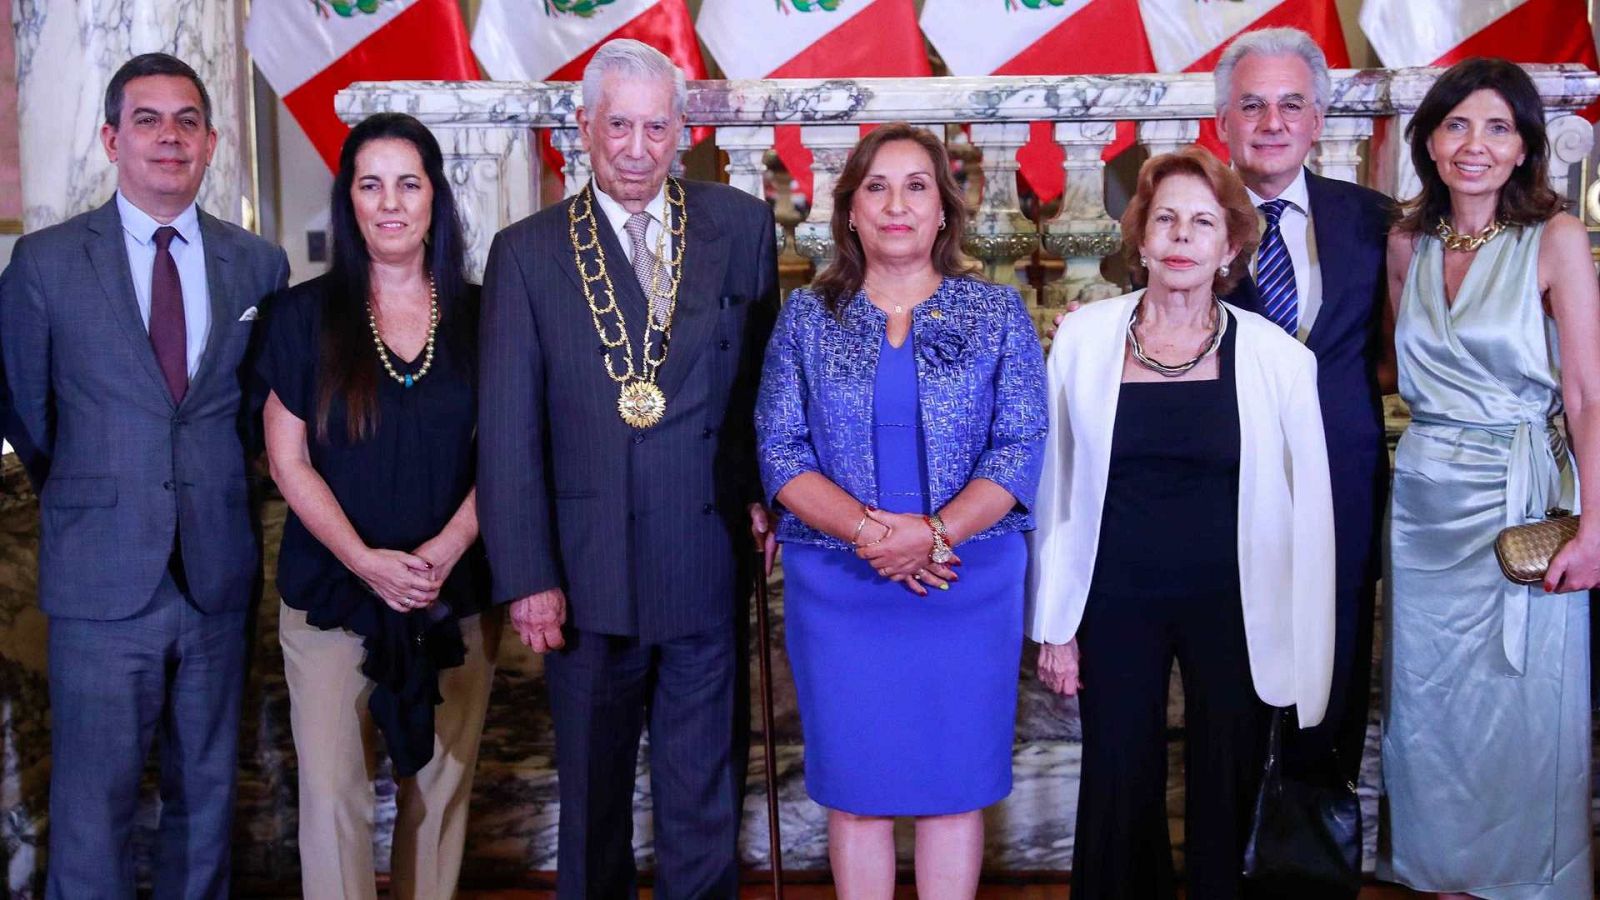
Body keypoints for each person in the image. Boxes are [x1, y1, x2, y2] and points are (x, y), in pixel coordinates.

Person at [477, 39, 779, 898]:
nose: (639, 148)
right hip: (582, 572)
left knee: (703, 801)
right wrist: (528, 574)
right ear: (583, 128)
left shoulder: (740, 227)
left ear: (681, 129)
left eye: (657, 126)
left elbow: (763, 385)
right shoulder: (525, 254)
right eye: (620, 126)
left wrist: (762, 495)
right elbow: (506, 433)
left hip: (703, 558)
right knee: (592, 806)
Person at [0, 53, 288, 897]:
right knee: (95, 802)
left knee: (207, 793)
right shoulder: (45, 264)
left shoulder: (258, 265)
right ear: (110, 139)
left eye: (187, 121)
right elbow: (25, 409)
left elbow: (252, 411)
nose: (170, 138)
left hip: (215, 570)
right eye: (149, 120)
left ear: (210, 143)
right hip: (100, 575)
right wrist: (105, 485)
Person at [1027, 145, 1336, 900]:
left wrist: (1303, 634)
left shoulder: (1278, 359)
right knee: (1115, 780)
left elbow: (1311, 517)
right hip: (1113, 601)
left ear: (1230, 244)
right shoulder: (1081, 339)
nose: (1180, 236)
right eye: (1164, 218)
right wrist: (1056, 624)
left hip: (1235, 605)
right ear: (1140, 236)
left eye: (1202, 222)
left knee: (1224, 783)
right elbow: (1054, 486)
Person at [755, 122, 1047, 898]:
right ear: (848, 210)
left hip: (967, 579)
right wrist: (872, 534)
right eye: (876, 187)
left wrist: (934, 533)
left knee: (954, 791)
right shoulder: (806, 318)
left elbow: (1019, 451)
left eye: (917, 185)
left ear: (944, 211)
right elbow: (780, 454)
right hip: (841, 584)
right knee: (858, 792)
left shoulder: (997, 314)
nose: (896, 204)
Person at [258, 113, 497, 900]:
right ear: (348, 200)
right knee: (335, 800)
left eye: (407, 183)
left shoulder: (485, 314)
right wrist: (364, 561)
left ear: (435, 196)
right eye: (370, 184)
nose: (389, 202)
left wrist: (445, 552)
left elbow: (510, 453)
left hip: (450, 594)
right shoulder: (301, 316)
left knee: (438, 793)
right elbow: (287, 459)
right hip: (332, 594)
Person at [1381, 57, 1600, 900]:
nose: (1476, 144)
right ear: (1431, 143)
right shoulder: (1406, 243)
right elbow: (1398, 372)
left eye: (1498, 127)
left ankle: (1528, 882)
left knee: (1523, 700)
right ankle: (1442, 877)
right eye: (1458, 125)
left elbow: (1584, 391)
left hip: (1525, 496)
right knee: (1430, 709)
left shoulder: (1556, 238)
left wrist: (1593, 525)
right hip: (1425, 497)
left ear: (1522, 150)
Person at [1213, 28, 1392, 799]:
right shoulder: (1186, 213)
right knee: (1231, 667)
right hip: (1223, 483)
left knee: (1336, 661)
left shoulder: (1375, 221)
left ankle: (1316, 850)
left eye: (1292, 104)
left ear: (1319, 119)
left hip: (1344, 481)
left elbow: (1390, 352)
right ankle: (1232, 847)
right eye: (1252, 105)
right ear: (1223, 121)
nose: (1272, 121)